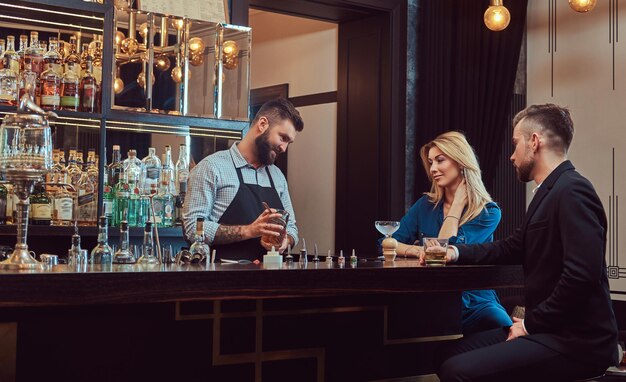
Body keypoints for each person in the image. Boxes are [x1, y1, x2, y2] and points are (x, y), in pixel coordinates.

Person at [431, 104, 619, 381]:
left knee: (456, 370)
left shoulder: (573, 189)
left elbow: (582, 276)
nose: (511, 155)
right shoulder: (548, 192)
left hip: (578, 343)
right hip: (548, 331)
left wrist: (531, 324)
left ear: (534, 142)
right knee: (444, 356)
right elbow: (511, 247)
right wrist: (454, 251)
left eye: (515, 144)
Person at [392, 131, 512, 335]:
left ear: (461, 162)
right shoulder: (425, 205)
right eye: (430, 162)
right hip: (431, 300)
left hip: (476, 303)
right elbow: (387, 243)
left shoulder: (488, 212)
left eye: (440, 160)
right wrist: (417, 250)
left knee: (508, 334)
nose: (433, 169)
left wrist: (456, 206)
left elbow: (445, 251)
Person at [183, 98, 303, 262]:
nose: (284, 148)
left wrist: (284, 241)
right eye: (282, 138)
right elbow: (192, 227)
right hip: (223, 279)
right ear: (262, 124)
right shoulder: (211, 167)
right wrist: (250, 230)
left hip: (268, 278)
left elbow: (292, 229)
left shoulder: (277, 176)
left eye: (289, 142)